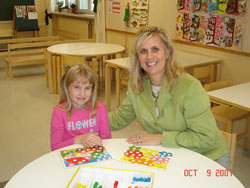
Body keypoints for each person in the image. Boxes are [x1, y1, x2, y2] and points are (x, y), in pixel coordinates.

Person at [108, 27, 229, 168]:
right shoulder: (136, 86)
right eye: (143, 51)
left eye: (155, 49)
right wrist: (87, 121)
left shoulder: (190, 87)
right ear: (137, 57)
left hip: (209, 156)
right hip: (172, 152)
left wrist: (161, 138)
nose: (149, 57)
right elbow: (120, 117)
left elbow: (205, 137)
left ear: (167, 52)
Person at [50, 64, 111, 151]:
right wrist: (80, 139)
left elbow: (107, 137)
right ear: (67, 88)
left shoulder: (100, 108)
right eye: (77, 87)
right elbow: (55, 147)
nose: (82, 93)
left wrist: (95, 139)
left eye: (87, 88)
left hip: (94, 152)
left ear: (93, 90)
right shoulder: (59, 112)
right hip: (69, 154)